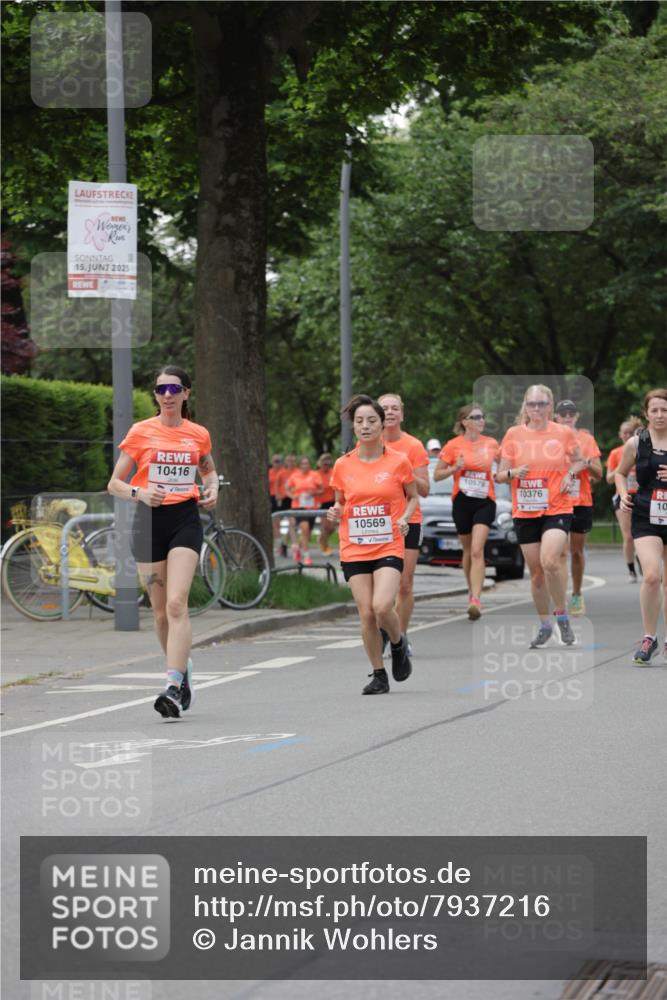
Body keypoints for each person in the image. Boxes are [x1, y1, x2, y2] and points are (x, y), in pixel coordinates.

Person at [107, 365, 219, 718]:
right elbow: (114, 483)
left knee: (176, 604)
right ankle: (181, 672)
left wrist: (212, 488)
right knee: (158, 614)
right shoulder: (141, 432)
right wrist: (139, 492)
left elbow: (208, 469)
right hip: (148, 523)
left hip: (184, 519)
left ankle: (171, 685)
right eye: (161, 390)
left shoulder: (198, 434)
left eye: (174, 389)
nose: (167, 395)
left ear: (186, 393)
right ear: (156, 395)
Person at [328, 394, 418, 694]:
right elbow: (340, 502)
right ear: (353, 427)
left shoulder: (398, 461)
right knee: (366, 612)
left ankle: (397, 642)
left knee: (382, 606)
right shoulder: (343, 465)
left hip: (388, 544)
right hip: (354, 546)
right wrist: (335, 510)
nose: (365, 426)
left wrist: (405, 516)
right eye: (359, 422)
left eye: (371, 421)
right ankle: (379, 674)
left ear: (382, 424)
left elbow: (413, 497)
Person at [496, 384, 585, 648]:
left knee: (550, 561)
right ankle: (545, 624)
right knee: (536, 573)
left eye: (542, 404)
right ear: (525, 406)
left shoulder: (563, 433)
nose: (537, 409)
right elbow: (499, 474)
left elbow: (581, 461)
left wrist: (570, 474)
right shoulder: (513, 434)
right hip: (525, 510)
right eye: (532, 404)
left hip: (557, 507)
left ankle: (562, 614)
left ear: (550, 406)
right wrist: (513, 473)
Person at [615, 389, 667, 665]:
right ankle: (650, 636)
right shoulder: (636, 443)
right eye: (655, 410)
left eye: (665, 410)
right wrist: (624, 493)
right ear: (646, 414)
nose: (660, 415)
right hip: (646, 514)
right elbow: (620, 473)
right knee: (651, 576)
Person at [434, 404, 499, 619]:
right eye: (476, 417)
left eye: (483, 416)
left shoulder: (491, 443)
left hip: (485, 501)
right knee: (468, 549)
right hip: (462, 501)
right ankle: (471, 588)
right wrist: (455, 468)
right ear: (465, 422)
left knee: (477, 550)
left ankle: (476, 600)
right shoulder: (453, 446)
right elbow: (437, 475)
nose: (482, 420)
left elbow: (508, 463)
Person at [378, 394, 430, 649]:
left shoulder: (414, 446)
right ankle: (387, 630)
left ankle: (402, 637)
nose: (389, 412)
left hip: (409, 519)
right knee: (382, 584)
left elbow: (425, 489)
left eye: (394, 408)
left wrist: (405, 466)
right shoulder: (368, 443)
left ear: (402, 414)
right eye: (385, 408)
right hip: (378, 521)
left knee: (405, 584)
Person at [554, 400, 602, 615]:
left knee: (576, 552)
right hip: (556, 501)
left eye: (571, 413)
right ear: (555, 416)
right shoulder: (549, 440)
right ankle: (560, 598)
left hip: (580, 500)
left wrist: (585, 461)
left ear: (577, 416)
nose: (567, 416)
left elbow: (599, 474)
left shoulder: (586, 439)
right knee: (560, 551)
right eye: (563, 413)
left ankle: (576, 593)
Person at [607, 417, 643, 582]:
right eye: (625, 433)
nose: (628, 435)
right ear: (620, 435)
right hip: (624, 496)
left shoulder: (645, 449)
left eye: (631, 432)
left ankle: (642, 558)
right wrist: (623, 467)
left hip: (643, 495)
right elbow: (609, 479)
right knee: (628, 536)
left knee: (644, 534)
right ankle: (631, 571)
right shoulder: (616, 453)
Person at [285, 455, 323, 566]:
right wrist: (292, 496)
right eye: (303, 463)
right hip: (298, 506)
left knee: (307, 533)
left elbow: (321, 489)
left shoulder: (315, 474)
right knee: (304, 527)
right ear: (299, 465)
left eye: (307, 463)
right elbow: (287, 488)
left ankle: (297, 548)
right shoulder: (294, 475)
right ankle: (307, 556)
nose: (305, 465)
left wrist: (313, 493)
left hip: (312, 507)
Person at [316, 452, 336, 556]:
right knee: (325, 526)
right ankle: (325, 547)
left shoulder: (333, 472)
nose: (326, 465)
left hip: (332, 502)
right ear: (320, 463)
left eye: (328, 463)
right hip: (321, 503)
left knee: (332, 527)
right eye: (324, 463)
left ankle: (321, 539)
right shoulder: (316, 474)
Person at [268, 454, 286, 555]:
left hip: (282, 499)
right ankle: (279, 545)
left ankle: (282, 543)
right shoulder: (269, 472)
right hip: (272, 498)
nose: (277, 463)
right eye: (275, 461)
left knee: (286, 522)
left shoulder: (284, 472)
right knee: (275, 524)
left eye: (279, 461)